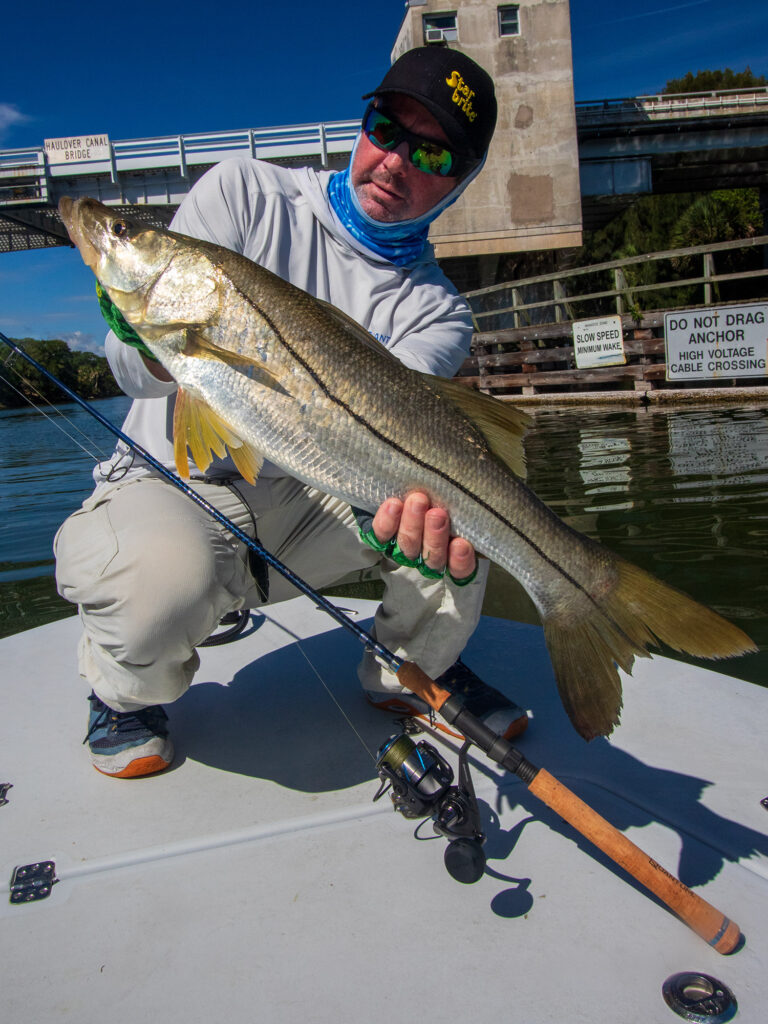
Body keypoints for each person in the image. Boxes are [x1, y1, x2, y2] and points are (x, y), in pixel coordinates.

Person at [55, 46, 528, 779]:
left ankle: (409, 671)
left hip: (322, 491)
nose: (397, 162)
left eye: (433, 156)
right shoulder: (243, 193)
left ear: (461, 181)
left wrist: (412, 510)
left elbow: (384, 442)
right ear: (362, 125)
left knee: (460, 522)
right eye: (387, 129)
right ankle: (121, 696)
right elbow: (136, 381)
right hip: (177, 484)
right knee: (156, 584)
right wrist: (151, 346)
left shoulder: (438, 311)